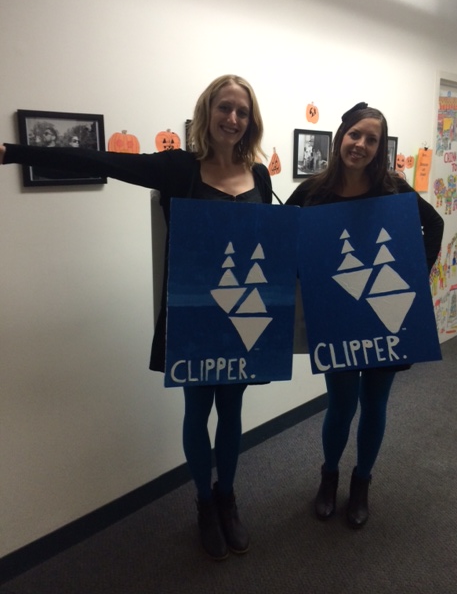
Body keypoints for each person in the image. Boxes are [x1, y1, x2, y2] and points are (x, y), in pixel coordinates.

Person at [0, 74, 273, 560]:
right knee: (197, 411)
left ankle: (228, 498)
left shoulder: (261, 177)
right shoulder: (176, 169)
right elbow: (99, 158)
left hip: (242, 315)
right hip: (193, 318)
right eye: (224, 108)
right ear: (207, 112)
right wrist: (14, 153)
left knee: (232, 411)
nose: (233, 119)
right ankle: (205, 505)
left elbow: (269, 240)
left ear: (251, 122)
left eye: (242, 112)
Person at [286, 102, 444, 529]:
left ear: (380, 147)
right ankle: (329, 478)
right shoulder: (313, 191)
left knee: (375, 403)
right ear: (341, 137)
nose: (361, 145)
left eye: (371, 139)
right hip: (337, 315)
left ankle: (361, 484)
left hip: (383, 313)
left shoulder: (394, 190)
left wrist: (414, 275)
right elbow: (284, 236)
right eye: (355, 135)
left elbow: (436, 225)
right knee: (341, 404)